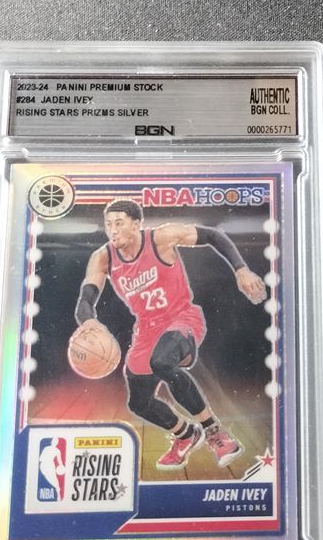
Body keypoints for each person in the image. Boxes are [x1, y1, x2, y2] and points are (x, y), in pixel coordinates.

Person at [72, 198, 267, 471]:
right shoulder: (103, 257)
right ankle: (186, 434)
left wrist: (241, 269)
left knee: (162, 361)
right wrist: (89, 322)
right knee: (138, 403)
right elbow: (86, 299)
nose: (112, 230)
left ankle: (215, 432)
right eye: (108, 224)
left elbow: (213, 235)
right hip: (146, 329)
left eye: (119, 223)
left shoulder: (161, 238)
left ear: (136, 224)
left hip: (182, 318)